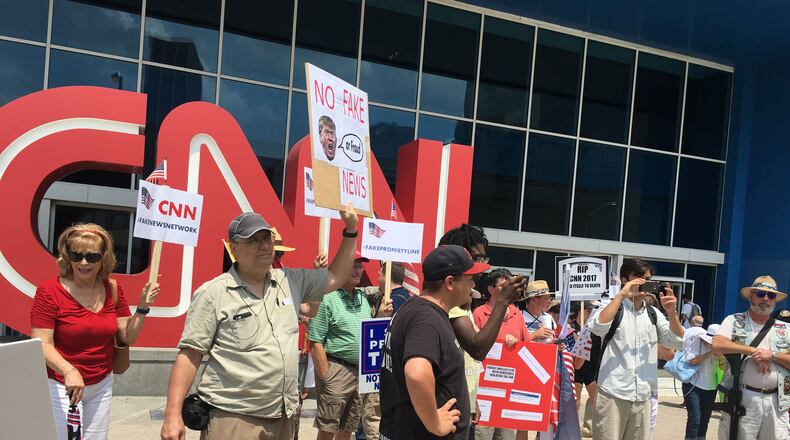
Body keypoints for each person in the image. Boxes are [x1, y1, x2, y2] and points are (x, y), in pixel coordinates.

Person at [160, 206, 359, 440]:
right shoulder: (213, 293)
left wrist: (351, 230)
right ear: (234, 248)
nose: (264, 245)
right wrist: (173, 414)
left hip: (283, 418)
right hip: (234, 419)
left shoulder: (290, 280)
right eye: (254, 240)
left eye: (267, 238)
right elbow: (190, 355)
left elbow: (336, 276)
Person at [30, 223, 160, 439]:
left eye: (92, 257)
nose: (83, 262)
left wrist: (143, 307)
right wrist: (68, 370)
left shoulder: (113, 289)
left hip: (101, 382)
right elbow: (41, 342)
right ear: (67, 256)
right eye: (76, 255)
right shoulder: (49, 291)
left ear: (104, 259)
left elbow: (128, 336)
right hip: (62, 383)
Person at [379, 245, 491, 439]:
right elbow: (417, 373)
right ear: (450, 282)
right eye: (470, 279)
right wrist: (435, 423)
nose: (473, 286)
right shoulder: (427, 319)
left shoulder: (414, 310)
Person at [587, 258, 684, 440]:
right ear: (625, 280)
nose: (643, 283)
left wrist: (672, 312)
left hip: (643, 396)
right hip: (613, 393)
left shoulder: (653, 314)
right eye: (638, 277)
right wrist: (620, 296)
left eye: (647, 279)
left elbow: (677, 342)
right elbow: (598, 326)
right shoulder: (612, 308)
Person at [309, 253, 393, 440]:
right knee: (328, 428)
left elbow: (367, 333)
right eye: (353, 265)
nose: (358, 270)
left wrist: (380, 315)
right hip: (336, 370)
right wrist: (326, 377)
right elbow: (315, 341)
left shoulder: (362, 299)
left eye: (360, 266)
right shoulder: (327, 298)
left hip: (359, 372)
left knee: (348, 428)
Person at [712, 275, 790, 440]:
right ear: (750, 296)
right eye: (760, 294)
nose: (766, 299)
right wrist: (754, 352)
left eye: (771, 295)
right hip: (744, 398)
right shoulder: (734, 320)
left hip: (777, 401)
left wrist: (772, 355)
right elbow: (717, 344)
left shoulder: (786, 328)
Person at [439, 224, 523, 361]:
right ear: (457, 255)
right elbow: (478, 349)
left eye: (484, 258)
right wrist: (502, 302)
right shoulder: (450, 301)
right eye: (477, 258)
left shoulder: (462, 299)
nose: (482, 265)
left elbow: (480, 339)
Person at [472, 268, 531, 440]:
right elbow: (473, 348)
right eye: (503, 285)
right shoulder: (479, 314)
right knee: (481, 435)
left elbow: (527, 348)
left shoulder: (516, 314)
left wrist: (516, 344)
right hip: (484, 393)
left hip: (508, 394)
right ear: (491, 289)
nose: (509, 289)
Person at [681, 323, 721, 440]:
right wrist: (711, 352)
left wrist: (721, 354)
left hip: (711, 387)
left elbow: (724, 367)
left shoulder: (721, 350)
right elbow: (693, 361)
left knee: (705, 419)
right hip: (693, 385)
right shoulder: (697, 343)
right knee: (695, 418)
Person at [570, 302, 600, 438]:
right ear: (579, 311)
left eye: (591, 311)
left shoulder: (594, 327)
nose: (590, 313)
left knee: (596, 399)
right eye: (587, 310)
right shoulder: (571, 327)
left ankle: (589, 426)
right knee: (576, 402)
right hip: (576, 368)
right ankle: (574, 429)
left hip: (590, 368)